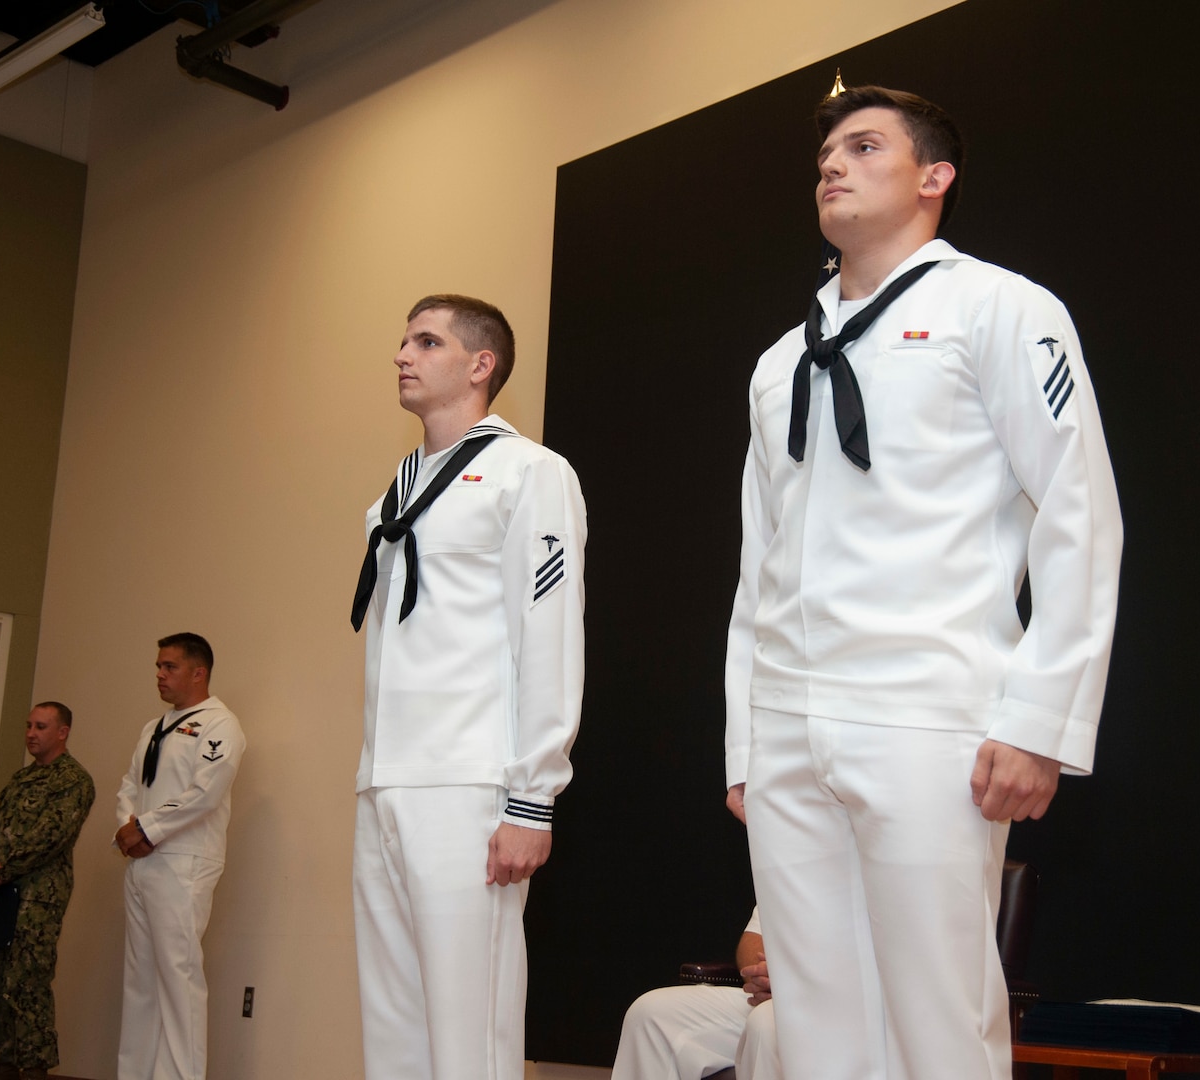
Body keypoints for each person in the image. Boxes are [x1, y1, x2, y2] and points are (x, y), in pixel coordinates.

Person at [724, 85, 1122, 1079]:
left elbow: (1078, 513)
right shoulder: (782, 363)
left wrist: (1040, 716)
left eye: (864, 147)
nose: (832, 164)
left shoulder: (1000, 308)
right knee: (813, 1026)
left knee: (939, 1021)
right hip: (789, 725)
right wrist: (747, 734)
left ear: (934, 177)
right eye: (826, 153)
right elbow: (757, 564)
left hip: (928, 713)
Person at [349, 294, 587, 1080]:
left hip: (469, 780)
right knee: (394, 1021)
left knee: (466, 1026)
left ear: (480, 365)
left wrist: (532, 798)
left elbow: (549, 639)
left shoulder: (531, 472)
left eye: (426, 341)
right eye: (403, 338)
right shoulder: (399, 486)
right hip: (387, 779)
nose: (402, 355)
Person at [114, 632, 245, 1080]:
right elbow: (131, 785)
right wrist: (128, 828)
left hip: (184, 862)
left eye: (168, 667)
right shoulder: (153, 727)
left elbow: (204, 793)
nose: (159, 675)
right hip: (142, 861)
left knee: (178, 977)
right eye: (158, 666)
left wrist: (147, 828)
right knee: (141, 980)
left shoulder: (219, 724)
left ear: (198, 672)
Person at [0, 701, 96, 1080]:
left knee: (26, 987)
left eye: (40, 726)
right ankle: (3, 1065)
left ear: (62, 732)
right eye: (28, 726)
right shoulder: (20, 779)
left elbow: (50, 838)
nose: (30, 733)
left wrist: (3, 870)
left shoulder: (73, 780)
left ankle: (34, 1071)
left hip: (36, 900)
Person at [611, 908, 782, 1080]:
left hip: (805, 1008)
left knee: (764, 1024)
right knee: (649, 1013)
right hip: (776, 996)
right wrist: (765, 977)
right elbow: (753, 938)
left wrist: (791, 983)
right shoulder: (793, 881)